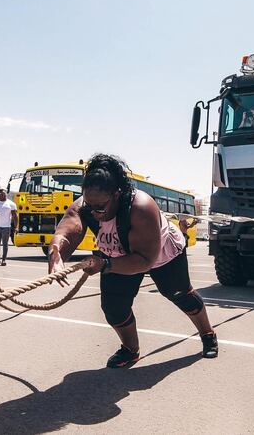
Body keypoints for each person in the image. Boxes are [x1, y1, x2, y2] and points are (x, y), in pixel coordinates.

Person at [48, 154, 218, 368]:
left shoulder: (141, 207)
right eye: (89, 206)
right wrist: (56, 253)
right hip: (118, 255)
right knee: (113, 307)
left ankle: (208, 333)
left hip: (161, 254)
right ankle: (130, 349)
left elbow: (144, 260)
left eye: (100, 207)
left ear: (117, 194)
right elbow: (67, 232)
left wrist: (106, 265)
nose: (94, 213)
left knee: (180, 294)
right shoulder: (88, 204)